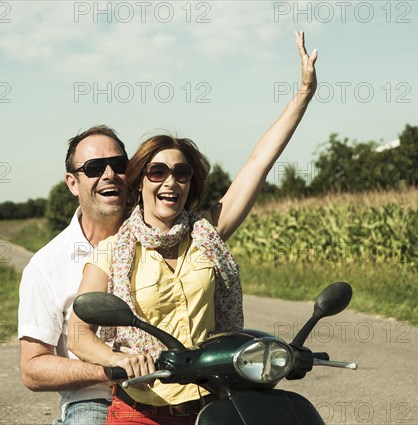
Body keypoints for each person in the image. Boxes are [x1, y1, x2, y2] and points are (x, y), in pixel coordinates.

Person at [68, 32, 318, 425]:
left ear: (190, 183)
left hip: (212, 403)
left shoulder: (207, 235)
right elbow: (78, 334)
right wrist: (121, 359)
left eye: (181, 173)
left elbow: (257, 164)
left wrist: (302, 96)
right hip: (140, 410)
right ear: (139, 181)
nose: (170, 181)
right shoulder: (113, 251)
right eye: (157, 171)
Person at [18, 125, 130, 425]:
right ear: (72, 183)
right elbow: (33, 368)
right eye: (94, 168)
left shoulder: (158, 236)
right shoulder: (45, 266)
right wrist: (113, 370)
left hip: (171, 393)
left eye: (119, 165)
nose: (109, 174)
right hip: (95, 400)